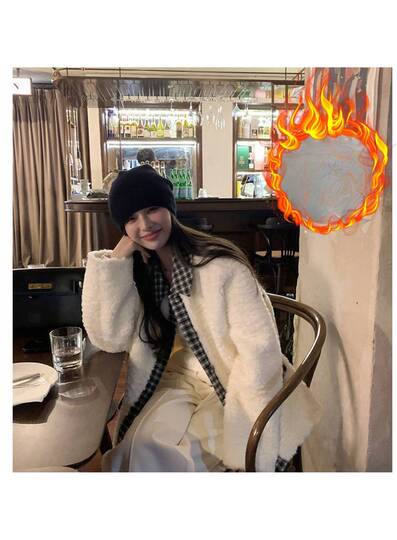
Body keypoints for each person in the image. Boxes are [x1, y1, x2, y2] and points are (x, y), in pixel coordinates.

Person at [82, 165, 320, 472]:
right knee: (141, 446)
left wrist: (247, 421)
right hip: (172, 382)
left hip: (229, 381)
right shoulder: (139, 270)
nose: (145, 224)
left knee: (178, 456)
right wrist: (115, 259)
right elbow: (108, 338)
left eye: (152, 209)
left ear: (169, 207)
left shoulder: (221, 266)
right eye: (131, 218)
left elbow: (259, 350)